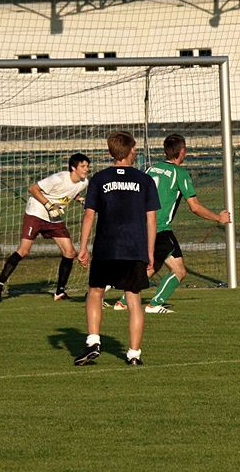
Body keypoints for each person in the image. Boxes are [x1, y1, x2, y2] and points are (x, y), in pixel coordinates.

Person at [112, 134, 231, 314]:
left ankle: (124, 301)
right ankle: (150, 304)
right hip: (160, 228)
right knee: (171, 270)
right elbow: (195, 207)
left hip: (141, 224)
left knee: (166, 267)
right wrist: (218, 218)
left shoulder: (152, 168)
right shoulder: (180, 173)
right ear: (182, 151)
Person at [74, 131, 160, 366]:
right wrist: (150, 252)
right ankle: (133, 354)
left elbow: (89, 215)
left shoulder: (100, 179)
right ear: (130, 150)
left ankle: (93, 340)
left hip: (106, 247)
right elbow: (151, 219)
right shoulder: (144, 180)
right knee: (134, 300)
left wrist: (82, 247)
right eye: (134, 148)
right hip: (134, 248)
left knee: (95, 292)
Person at [0, 153, 90, 302]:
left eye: (87, 166)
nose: (86, 169)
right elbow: (33, 189)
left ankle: (60, 292)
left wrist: (80, 199)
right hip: (36, 213)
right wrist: (49, 205)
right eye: (83, 166)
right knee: (24, 250)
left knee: (70, 252)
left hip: (53, 217)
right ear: (73, 168)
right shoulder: (58, 178)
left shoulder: (84, 182)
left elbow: (70, 191)